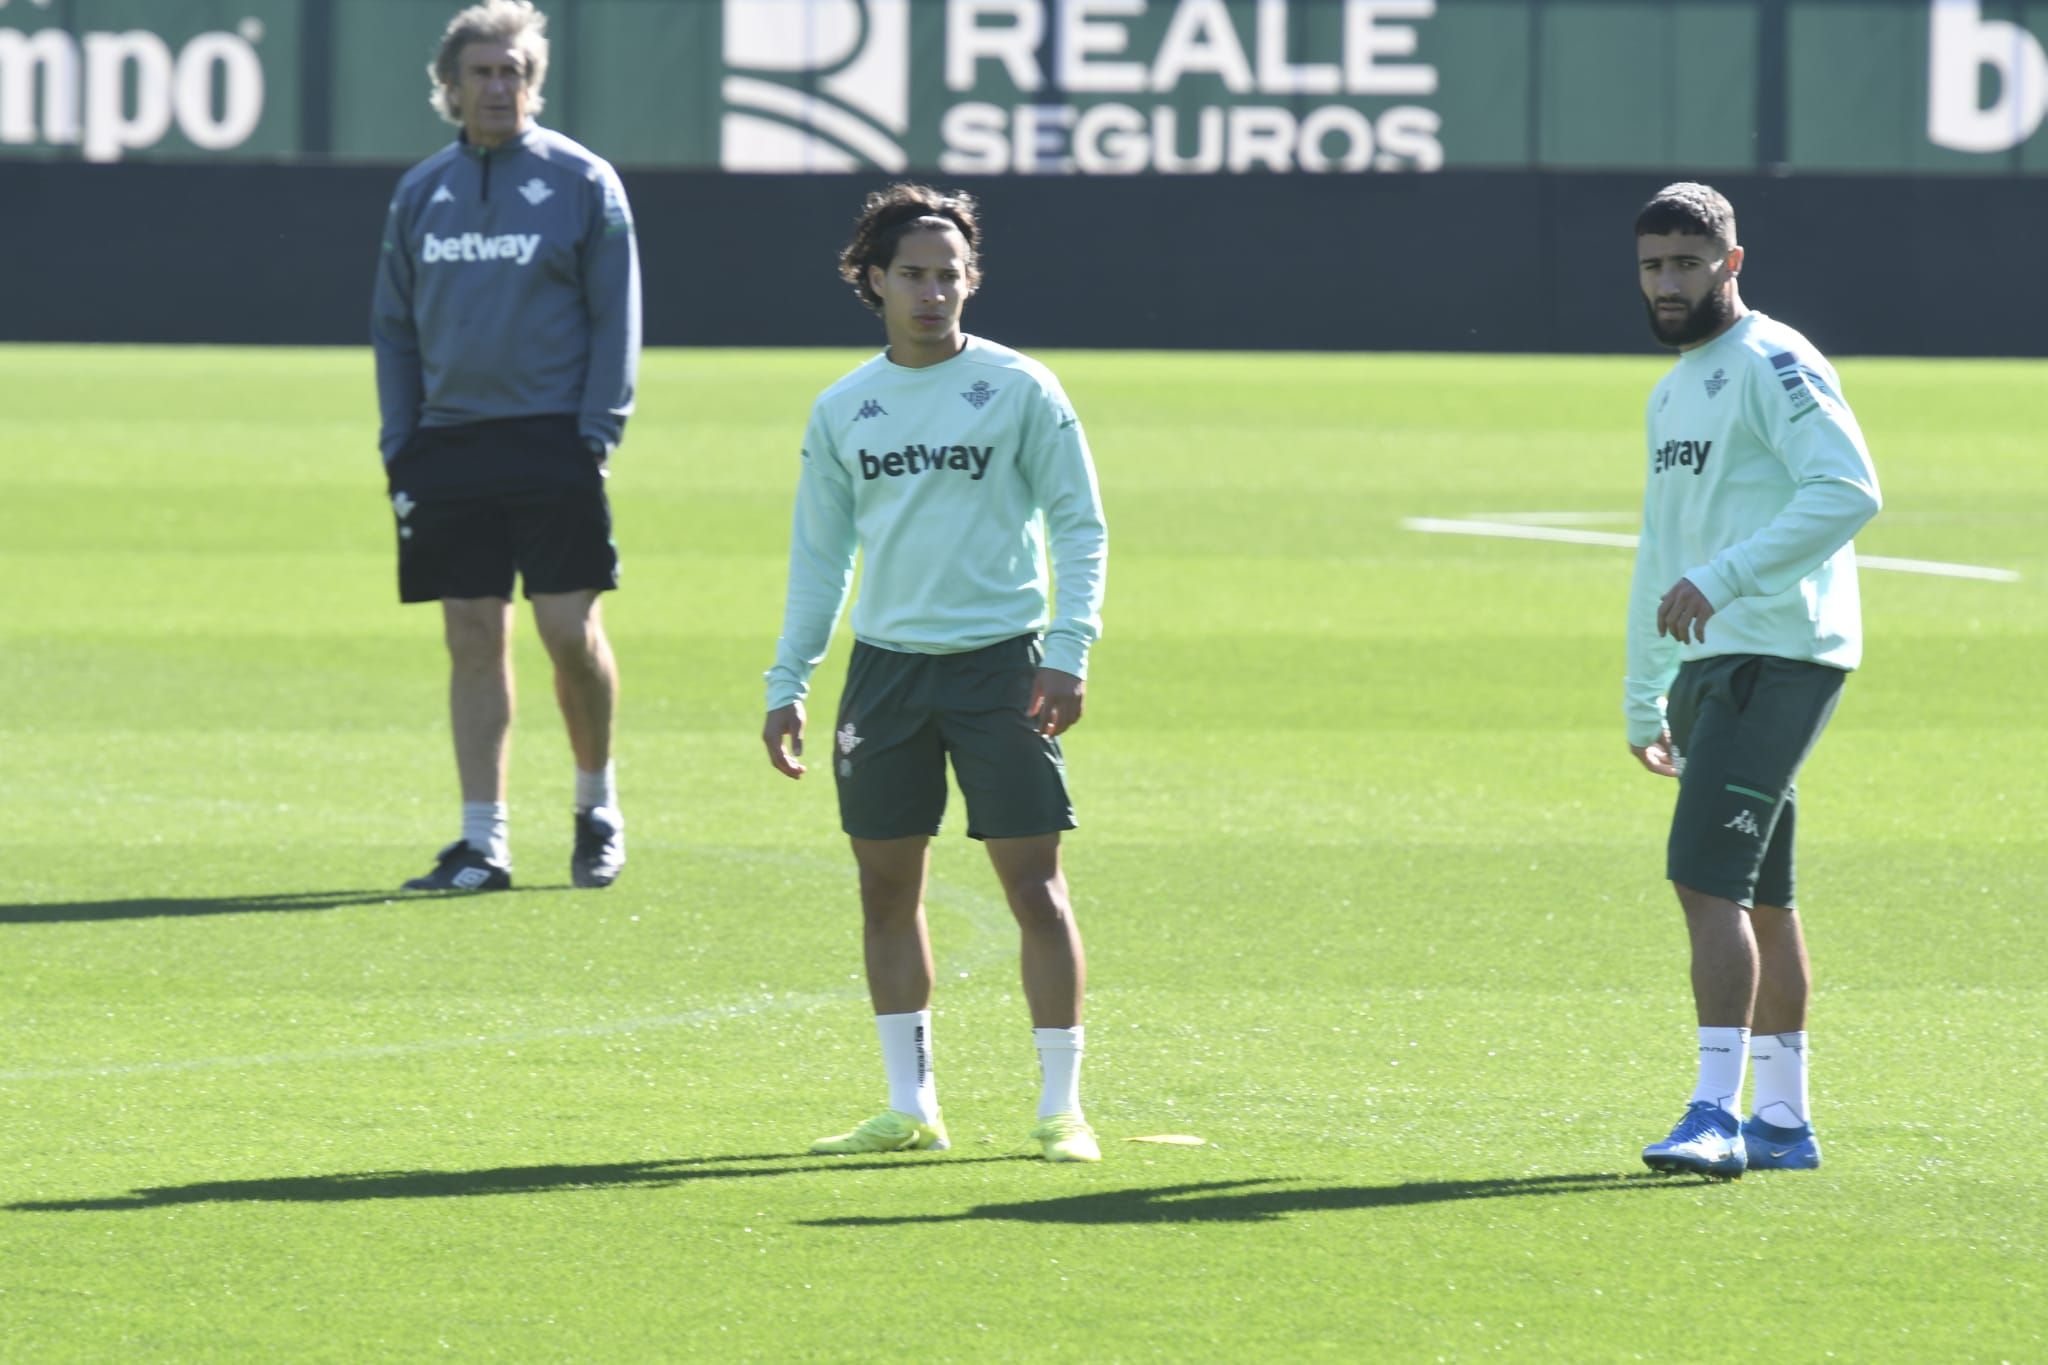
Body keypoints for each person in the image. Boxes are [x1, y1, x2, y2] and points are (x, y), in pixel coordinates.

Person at [762, 184, 1109, 1163]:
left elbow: (1079, 525)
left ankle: (1061, 1108)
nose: (933, 292)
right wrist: (788, 679)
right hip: (885, 675)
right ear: (873, 281)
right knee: (884, 891)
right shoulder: (843, 407)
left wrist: (1068, 651)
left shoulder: (1020, 387)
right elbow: (819, 557)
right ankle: (910, 1106)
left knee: (1034, 888)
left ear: (971, 281)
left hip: (1003, 665)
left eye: (949, 274)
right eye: (913, 274)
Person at [1626, 183, 1881, 1178]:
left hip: (1777, 654)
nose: (1668, 283)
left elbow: (1848, 489)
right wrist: (1643, 689)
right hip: (1711, 660)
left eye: (1687, 265)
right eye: (1653, 266)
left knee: (1704, 879)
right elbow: (1661, 547)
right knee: (1761, 896)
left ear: (1730, 264)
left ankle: (1712, 1114)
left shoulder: (1776, 362)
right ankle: (1780, 1119)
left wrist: (1727, 578)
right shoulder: (1672, 387)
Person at [371, 0, 639, 892]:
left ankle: (596, 804)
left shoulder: (582, 181)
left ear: (533, 82)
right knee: (472, 635)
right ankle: (482, 840)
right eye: (480, 72)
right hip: (447, 444)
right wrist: (401, 442)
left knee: (569, 632)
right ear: (450, 86)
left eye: (512, 71)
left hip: (553, 438)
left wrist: (597, 430)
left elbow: (615, 316)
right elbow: (394, 327)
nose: (497, 87)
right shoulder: (421, 193)